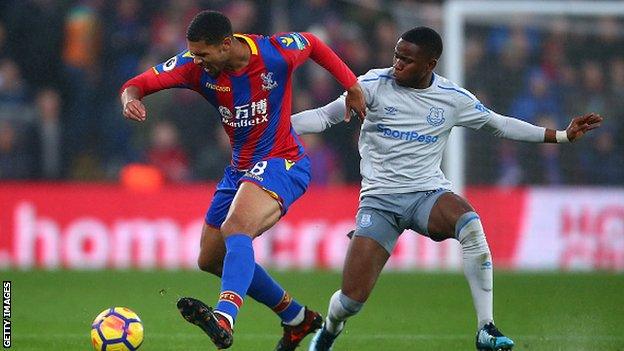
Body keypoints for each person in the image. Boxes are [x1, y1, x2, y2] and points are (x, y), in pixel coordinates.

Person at [291, 27, 602, 351]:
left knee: (470, 224)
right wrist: (278, 127)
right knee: (351, 300)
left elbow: (500, 124)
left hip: (427, 194)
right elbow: (324, 117)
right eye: (397, 56)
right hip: (379, 202)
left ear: (430, 64)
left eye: (407, 60)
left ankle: (486, 328)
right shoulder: (371, 85)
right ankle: (329, 329)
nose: (397, 64)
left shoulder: (452, 99)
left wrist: (561, 136)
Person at [120, 10, 366, 350]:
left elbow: (312, 44)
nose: (197, 61)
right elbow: (138, 83)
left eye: (203, 54)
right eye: (193, 54)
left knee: (236, 228)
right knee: (210, 258)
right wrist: (130, 100)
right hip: (239, 169)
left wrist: (352, 85)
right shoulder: (194, 66)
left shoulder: (274, 53)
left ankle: (224, 317)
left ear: (225, 45)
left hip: (284, 161)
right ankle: (296, 317)